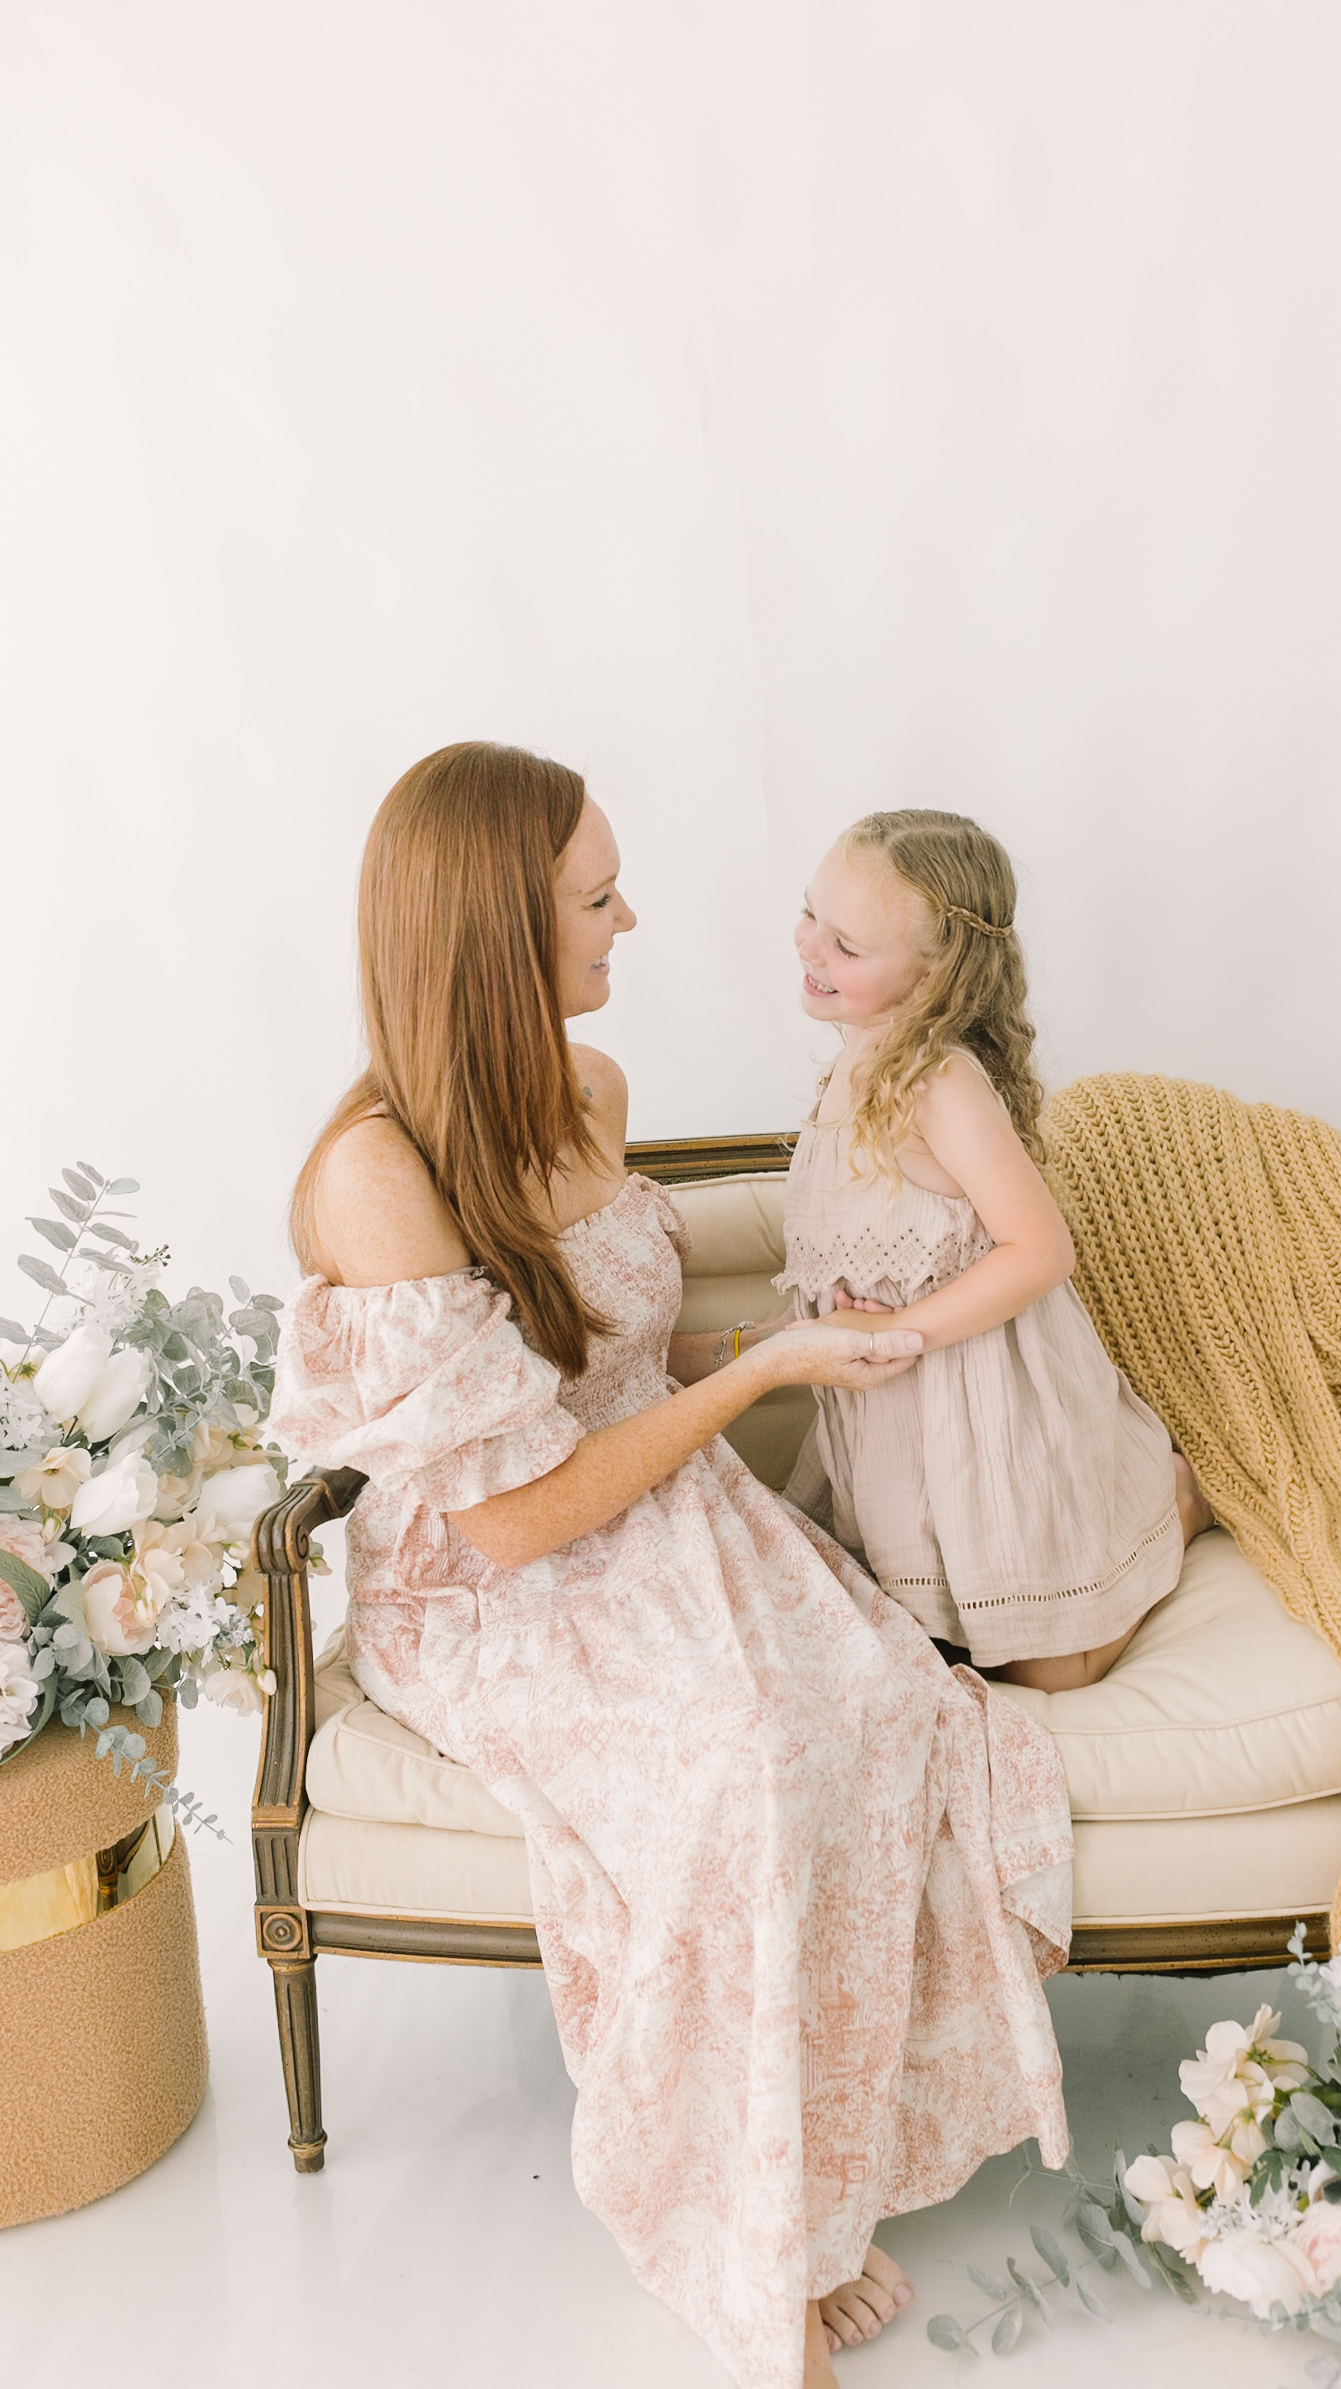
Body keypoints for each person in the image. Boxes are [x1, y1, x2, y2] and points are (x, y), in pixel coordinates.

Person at [268, 745, 1075, 2389]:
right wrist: (762, 1372)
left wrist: (781, 1334)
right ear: (496, 927)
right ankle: (748, 2238)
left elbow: (619, 1347)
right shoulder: (377, 1172)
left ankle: (823, 2182)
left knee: (877, 1705)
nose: (628, 916)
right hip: (501, 1573)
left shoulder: (593, 1089)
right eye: (593, 895)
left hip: (658, 1498)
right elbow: (511, 1513)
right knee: (740, 1769)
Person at [781, 808, 1212, 1694]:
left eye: (847, 945)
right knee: (924, 1640)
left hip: (981, 1401)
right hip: (896, 1419)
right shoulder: (850, 1065)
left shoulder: (937, 1080)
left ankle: (1174, 1493)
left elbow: (1038, 1248)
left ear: (934, 974)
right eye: (809, 914)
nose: (809, 947)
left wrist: (901, 1326)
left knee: (1050, 1672)